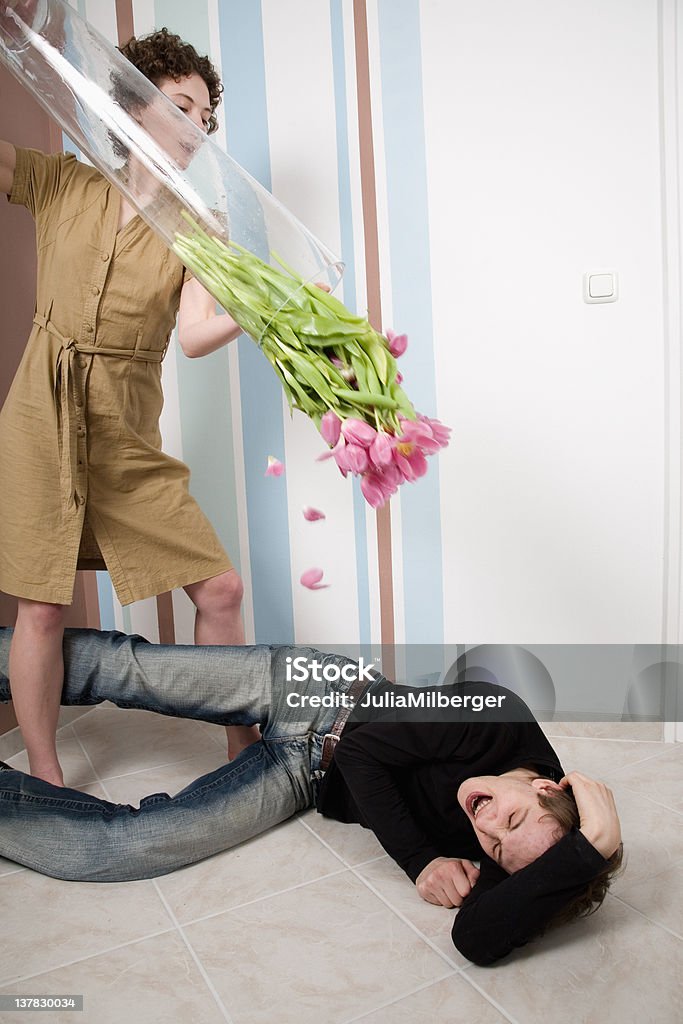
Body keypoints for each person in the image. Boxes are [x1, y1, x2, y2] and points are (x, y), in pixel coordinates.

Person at [0, 626, 623, 966]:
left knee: (131, 849)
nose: (485, 824)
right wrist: (421, 861)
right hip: (318, 694)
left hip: (304, 778)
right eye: (510, 815)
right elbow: (362, 748)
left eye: (494, 845)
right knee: (125, 673)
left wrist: (588, 856)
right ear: (545, 785)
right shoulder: (495, 713)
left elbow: (478, 941)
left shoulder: (513, 853)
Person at [0, 28, 257, 787]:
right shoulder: (61, 182)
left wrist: (266, 306)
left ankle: (243, 754)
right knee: (42, 605)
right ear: (132, 105)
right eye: (181, 107)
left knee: (220, 589)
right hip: (38, 419)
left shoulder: (199, 228)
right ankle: (47, 775)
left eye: (205, 119)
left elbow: (196, 336)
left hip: (125, 428)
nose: (196, 130)